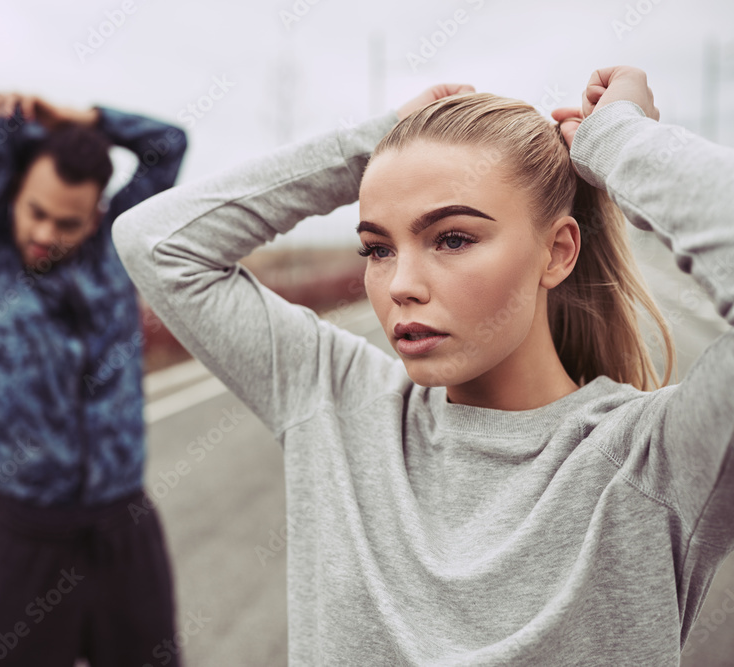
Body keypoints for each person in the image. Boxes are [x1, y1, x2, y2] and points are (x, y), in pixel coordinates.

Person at [111, 65, 734, 665]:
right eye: (377, 248)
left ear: (557, 252)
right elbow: (156, 244)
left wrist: (620, 139)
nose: (400, 284)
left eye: (453, 238)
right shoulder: (337, 406)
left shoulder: (656, 461)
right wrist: (372, 147)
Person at [0, 92, 188, 666]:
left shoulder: (113, 251)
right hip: (28, 536)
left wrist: (88, 122)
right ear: (15, 196)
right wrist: (13, 129)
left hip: (124, 528)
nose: (46, 233)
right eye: (36, 212)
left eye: (68, 221)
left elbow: (168, 146)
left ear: (97, 215)